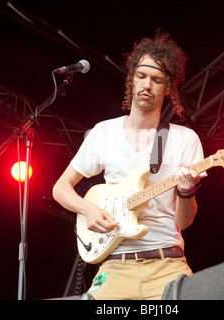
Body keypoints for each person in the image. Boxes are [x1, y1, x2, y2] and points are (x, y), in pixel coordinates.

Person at [52, 29, 205, 300]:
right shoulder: (103, 133)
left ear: (168, 87)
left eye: (157, 79)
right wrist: (88, 209)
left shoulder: (185, 139)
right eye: (142, 76)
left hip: (167, 264)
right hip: (115, 266)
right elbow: (61, 188)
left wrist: (186, 191)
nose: (147, 85)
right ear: (131, 79)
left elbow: (184, 221)